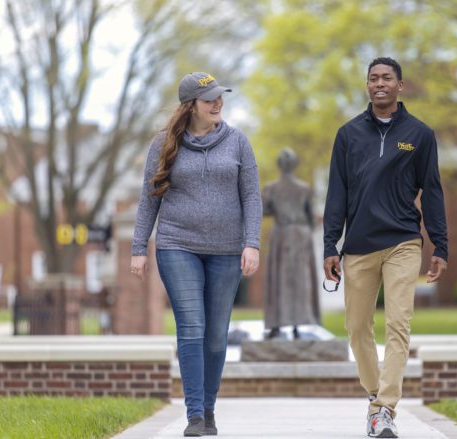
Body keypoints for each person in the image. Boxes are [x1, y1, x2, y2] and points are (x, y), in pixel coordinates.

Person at [131, 72, 261, 437]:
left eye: (220, 97)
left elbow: (251, 196)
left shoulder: (238, 142)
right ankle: (194, 416)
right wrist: (139, 247)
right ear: (191, 105)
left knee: (217, 335)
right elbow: (148, 197)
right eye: (209, 99)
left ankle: (208, 408)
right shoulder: (163, 144)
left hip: (226, 250)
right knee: (192, 327)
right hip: (177, 245)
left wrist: (252, 242)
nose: (218, 103)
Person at [323, 57, 448, 439]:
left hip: (403, 243)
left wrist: (440, 245)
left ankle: (384, 410)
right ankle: (377, 395)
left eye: (387, 78)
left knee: (398, 324)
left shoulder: (420, 134)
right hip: (359, 245)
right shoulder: (348, 135)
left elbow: (433, 191)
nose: (380, 83)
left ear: (400, 86)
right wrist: (331, 243)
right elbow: (336, 194)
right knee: (357, 327)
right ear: (367, 86)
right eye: (373, 78)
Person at [262, 147, 320, 339]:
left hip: (282, 234)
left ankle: (277, 325)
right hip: (300, 235)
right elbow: (311, 218)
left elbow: (263, 210)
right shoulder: (304, 188)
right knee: (299, 280)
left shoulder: (272, 188)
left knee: (278, 279)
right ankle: (296, 325)